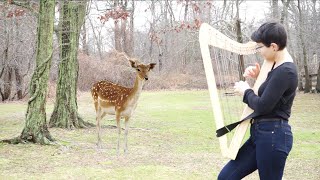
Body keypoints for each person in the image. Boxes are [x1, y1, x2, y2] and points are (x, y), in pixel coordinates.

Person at [218, 22, 298, 180]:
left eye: (260, 47)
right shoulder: (275, 66)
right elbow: (271, 93)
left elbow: (263, 106)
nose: (258, 51)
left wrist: (245, 91)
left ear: (273, 46)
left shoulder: (286, 71)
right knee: (226, 177)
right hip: (260, 134)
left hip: (273, 136)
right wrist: (258, 76)